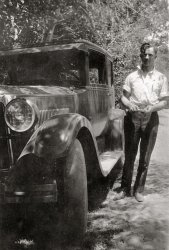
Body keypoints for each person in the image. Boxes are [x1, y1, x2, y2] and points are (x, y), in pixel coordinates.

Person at [115, 42, 168, 202]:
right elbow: (123, 96)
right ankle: (125, 188)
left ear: (155, 57)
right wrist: (128, 103)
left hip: (151, 118)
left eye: (150, 55)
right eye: (143, 55)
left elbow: (165, 101)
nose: (146, 57)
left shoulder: (161, 78)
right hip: (132, 117)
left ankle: (139, 189)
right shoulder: (132, 76)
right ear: (140, 56)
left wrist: (151, 109)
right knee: (130, 155)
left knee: (145, 157)